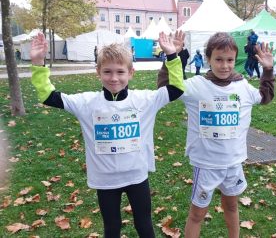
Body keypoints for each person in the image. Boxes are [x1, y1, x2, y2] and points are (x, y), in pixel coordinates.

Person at [30, 31, 185, 238]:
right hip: (105, 181)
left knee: (144, 225)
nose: (114, 78)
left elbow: (176, 88)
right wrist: (38, 63)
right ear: (98, 72)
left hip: (136, 177)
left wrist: (172, 56)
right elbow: (48, 96)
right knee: (111, 228)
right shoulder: (86, 103)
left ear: (131, 73)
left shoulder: (144, 101)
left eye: (120, 72)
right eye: (107, 72)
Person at [158, 32, 275, 238]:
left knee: (231, 206)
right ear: (208, 59)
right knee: (197, 214)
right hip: (206, 165)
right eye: (218, 59)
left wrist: (267, 69)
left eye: (229, 60)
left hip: (233, 163)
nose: (224, 65)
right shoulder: (196, 86)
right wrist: (171, 57)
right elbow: (167, 89)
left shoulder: (243, 87)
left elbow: (265, 96)